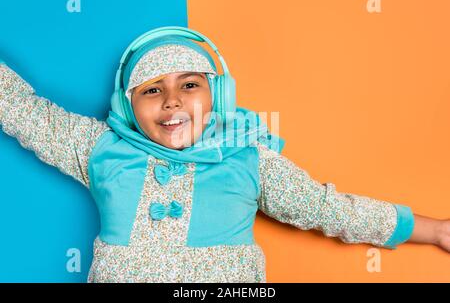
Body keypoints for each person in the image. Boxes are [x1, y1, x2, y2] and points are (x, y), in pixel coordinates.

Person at [0, 26, 448, 283]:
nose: (172, 101)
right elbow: (22, 111)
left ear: (218, 95)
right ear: (127, 106)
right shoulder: (100, 149)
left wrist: (436, 231)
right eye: (152, 90)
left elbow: (330, 209)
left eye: (189, 85)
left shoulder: (249, 160)